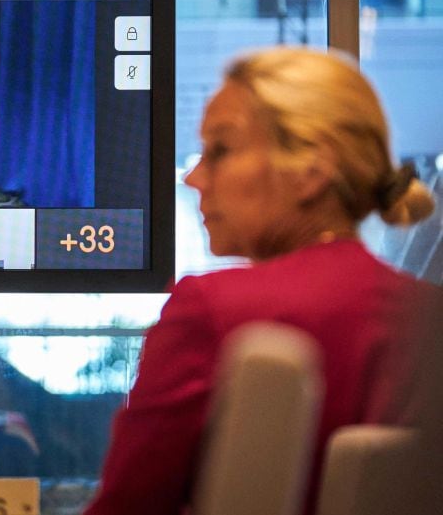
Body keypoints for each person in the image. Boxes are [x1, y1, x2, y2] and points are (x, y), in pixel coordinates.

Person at [83, 48, 439, 515]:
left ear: (311, 171)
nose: (193, 177)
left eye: (220, 150)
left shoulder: (212, 312)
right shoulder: (429, 317)